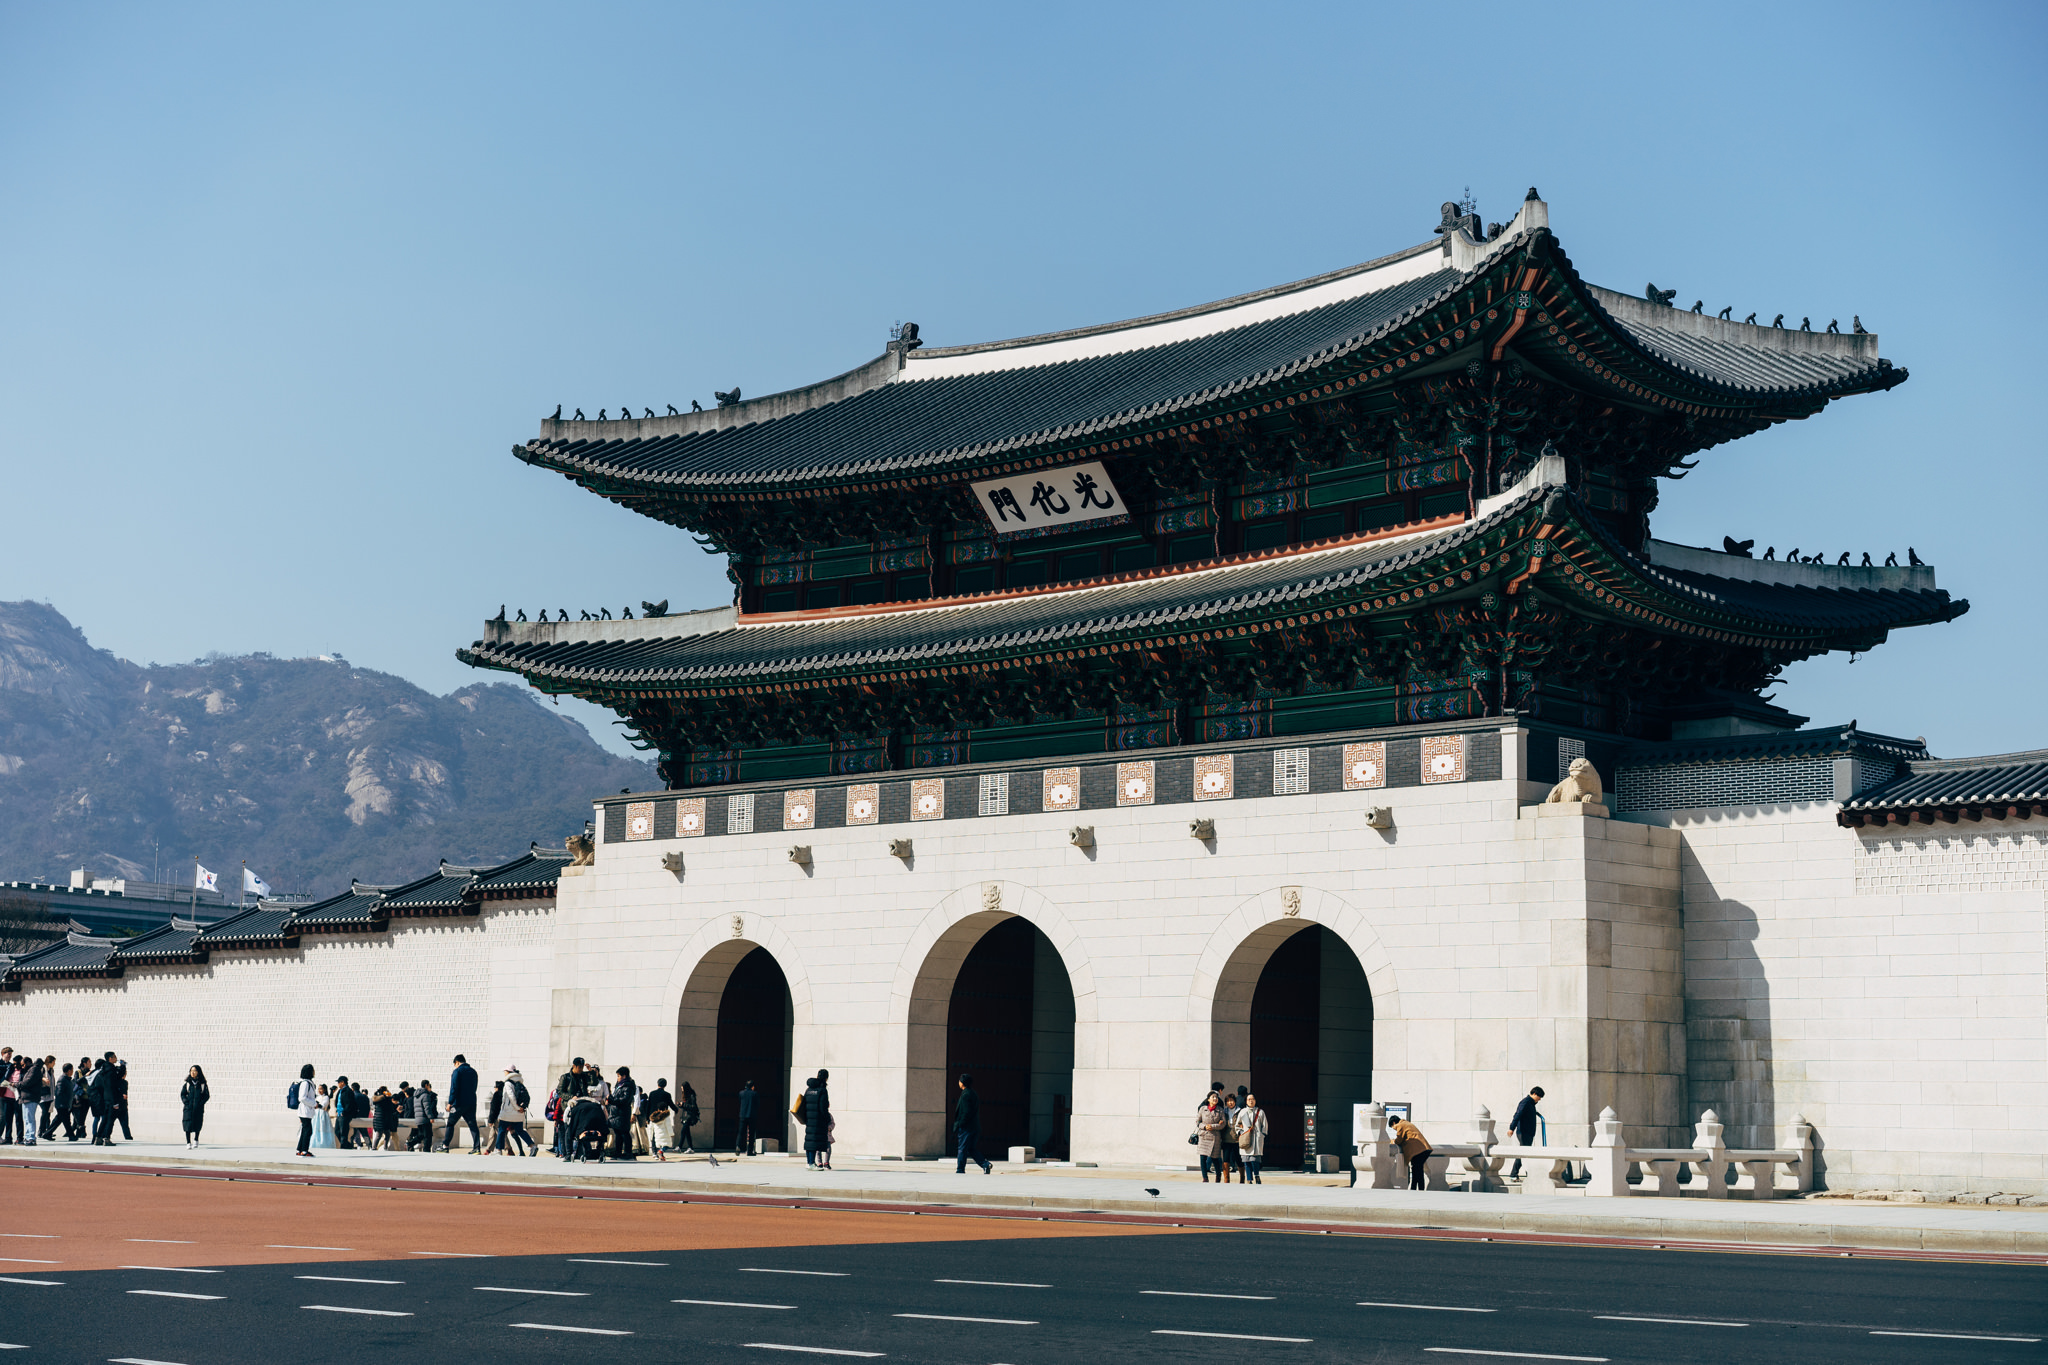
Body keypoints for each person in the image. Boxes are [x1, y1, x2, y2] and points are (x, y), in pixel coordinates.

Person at [952, 1073, 991, 1175]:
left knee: (962, 1149)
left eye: (959, 1081)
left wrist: (960, 1124)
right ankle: (985, 1164)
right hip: (974, 1127)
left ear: (962, 1083)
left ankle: (960, 1170)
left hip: (966, 1128)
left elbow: (966, 1112)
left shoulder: (966, 1095)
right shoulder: (973, 1093)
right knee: (971, 1148)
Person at [442, 1054, 480, 1154]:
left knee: (450, 1124)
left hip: (458, 1103)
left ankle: (445, 1146)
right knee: (473, 1125)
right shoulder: (473, 1071)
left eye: (455, 1064)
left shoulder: (457, 1071)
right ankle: (477, 1148)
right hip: (471, 1102)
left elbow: (454, 1088)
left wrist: (450, 1103)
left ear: (457, 1062)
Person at [1507, 1086, 1544, 1179]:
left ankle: (1519, 1174)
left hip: (1528, 1133)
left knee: (1524, 1153)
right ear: (1534, 1094)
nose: (1539, 1099)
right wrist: (1511, 1128)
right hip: (1523, 1132)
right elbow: (1517, 1114)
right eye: (1539, 1097)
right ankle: (1513, 1174)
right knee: (1523, 1153)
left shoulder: (1531, 1104)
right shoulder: (1525, 1102)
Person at [497, 1068, 535, 1155]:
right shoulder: (519, 1082)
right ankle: (532, 1146)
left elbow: (511, 1097)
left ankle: (498, 1150)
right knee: (520, 1130)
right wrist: (521, 1108)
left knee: (501, 1130)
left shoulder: (507, 1083)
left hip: (508, 1113)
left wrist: (517, 1108)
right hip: (519, 1114)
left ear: (508, 1072)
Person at [1391, 1113, 1432, 1191]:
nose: (1394, 1129)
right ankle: (1417, 1189)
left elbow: (1399, 1140)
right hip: (1424, 1149)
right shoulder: (1407, 1123)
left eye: (1393, 1128)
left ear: (1393, 1123)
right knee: (1417, 1170)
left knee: (1417, 1171)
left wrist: (1392, 1141)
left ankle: (1418, 1190)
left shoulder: (1400, 1125)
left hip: (1418, 1151)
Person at [88, 1054, 121, 1145]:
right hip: (111, 1098)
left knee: (105, 1119)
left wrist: (122, 1068)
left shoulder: (104, 1070)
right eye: (114, 1057)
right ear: (110, 1058)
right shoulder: (111, 1071)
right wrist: (114, 1102)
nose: (116, 1058)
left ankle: (98, 1137)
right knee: (110, 1119)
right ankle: (107, 1138)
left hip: (105, 1098)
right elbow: (112, 1086)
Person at [1236, 1092, 1268, 1184]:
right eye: (1249, 1099)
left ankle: (1257, 1175)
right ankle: (1249, 1179)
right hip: (1246, 1139)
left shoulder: (1260, 1112)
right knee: (1246, 1160)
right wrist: (1241, 1132)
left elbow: (1265, 1126)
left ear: (1255, 1100)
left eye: (1252, 1099)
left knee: (1255, 1160)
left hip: (1256, 1139)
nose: (1251, 1101)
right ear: (1246, 1101)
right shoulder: (1242, 1112)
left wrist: (1262, 1134)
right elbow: (1237, 1125)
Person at [608, 1067, 638, 1159]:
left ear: (624, 1076)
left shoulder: (627, 1086)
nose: (617, 1078)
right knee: (618, 1133)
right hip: (616, 1113)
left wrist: (613, 1100)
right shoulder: (620, 1085)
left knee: (624, 1133)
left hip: (622, 1113)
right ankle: (618, 1153)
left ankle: (628, 1153)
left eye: (618, 1076)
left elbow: (625, 1099)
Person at [1195, 1094, 1226, 1182]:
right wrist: (1204, 1126)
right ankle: (1205, 1177)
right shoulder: (1202, 1109)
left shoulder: (1220, 1110)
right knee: (1203, 1157)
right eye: (1213, 1097)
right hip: (1204, 1135)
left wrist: (1213, 1126)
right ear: (1208, 1099)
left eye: (1216, 1097)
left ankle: (1218, 1175)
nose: (1215, 1099)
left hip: (1215, 1136)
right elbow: (1197, 1122)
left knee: (1215, 1158)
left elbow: (1223, 1124)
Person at [16, 1054, 44, 1147]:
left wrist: (15, 1084)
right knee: (26, 1119)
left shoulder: (34, 1070)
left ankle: (31, 1138)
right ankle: (28, 1137)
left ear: (28, 1062)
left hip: (30, 1098)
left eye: (23, 1065)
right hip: (26, 1098)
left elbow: (26, 1083)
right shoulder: (31, 1070)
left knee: (30, 1118)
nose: (23, 1067)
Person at [642, 1079, 674, 1161]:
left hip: (653, 1117)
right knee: (662, 1138)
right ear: (665, 1085)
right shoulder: (667, 1094)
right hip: (662, 1116)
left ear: (657, 1084)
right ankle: (659, 1152)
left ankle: (654, 1152)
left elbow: (648, 1106)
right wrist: (676, 1109)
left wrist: (647, 1118)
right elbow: (670, 1103)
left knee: (653, 1135)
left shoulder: (652, 1093)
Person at [180, 1066, 210, 1148]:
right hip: (188, 1109)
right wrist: (186, 1102)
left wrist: (201, 1103)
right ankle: (188, 1142)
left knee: (197, 1123)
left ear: (198, 1072)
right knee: (187, 1124)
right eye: (191, 1071)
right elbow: (183, 1094)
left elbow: (206, 1095)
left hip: (198, 1109)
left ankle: (196, 1139)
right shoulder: (187, 1084)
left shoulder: (203, 1084)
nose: (192, 1072)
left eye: (195, 1071)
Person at [292, 1064, 317, 1156]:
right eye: (313, 1070)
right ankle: (304, 1150)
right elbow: (302, 1098)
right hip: (305, 1111)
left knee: (305, 1130)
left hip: (306, 1111)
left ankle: (300, 1149)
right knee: (308, 1131)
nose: (314, 1072)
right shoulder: (305, 1083)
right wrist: (314, 1104)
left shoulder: (308, 1083)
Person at [1218, 1093, 1242, 1183]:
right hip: (1226, 1138)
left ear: (1235, 1101)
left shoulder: (1240, 1111)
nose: (1230, 1103)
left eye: (1231, 1101)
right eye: (1228, 1101)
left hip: (1237, 1139)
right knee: (1226, 1159)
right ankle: (1226, 1179)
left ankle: (1242, 1178)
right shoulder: (1224, 1112)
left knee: (1238, 1159)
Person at [733, 1079, 757, 1156]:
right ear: (752, 1087)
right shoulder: (754, 1094)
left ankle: (738, 1146)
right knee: (751, 1134)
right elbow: (757, 1104)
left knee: (740, 1132)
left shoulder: (741, 1093)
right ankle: (749, 1151)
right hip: (751, 1116)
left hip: (742, 1115)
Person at [310, 1084, 337, 1149]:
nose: (319, 1090)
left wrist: (316, 1104)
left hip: (322, 1114)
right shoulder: (317, 1097)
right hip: (316, 1114)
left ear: (324, 1090)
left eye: (321, 1089)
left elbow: (323, 1105)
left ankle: (324, 1144)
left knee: (322, 1128)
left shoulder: (326, 1097)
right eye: (318, 1089)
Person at [676, 1081, 700, 1154]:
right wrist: (680, 1105)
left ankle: (679, 1147)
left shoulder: (691, 1095)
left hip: (690, 1116)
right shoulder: (685, 1095)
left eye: (682, 1088)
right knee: (687, 1132)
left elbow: (693, 1107)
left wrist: (683, 1105)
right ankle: (690, 1148)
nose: (681, 1089)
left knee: (683, 1131)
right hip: (685, 1116)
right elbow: (686, 1106)